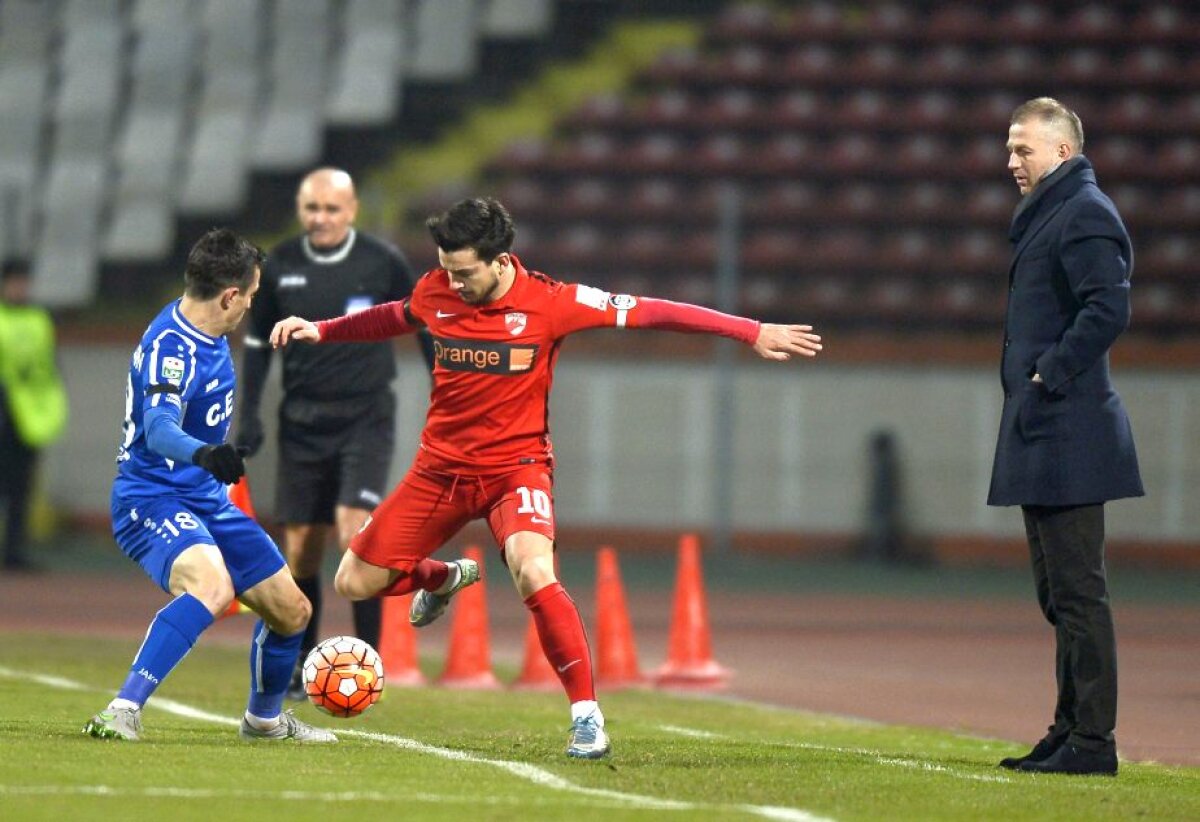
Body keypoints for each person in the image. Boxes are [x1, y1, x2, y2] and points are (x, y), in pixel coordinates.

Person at [270, 198, 823, 758]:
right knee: (352, 581)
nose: (452, 282)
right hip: (439, 471)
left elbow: (654, 310)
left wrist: (750, 330)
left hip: (517, 471)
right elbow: (395, 315)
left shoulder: (553, 302)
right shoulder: (437, 288)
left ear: (501, 260)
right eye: (446, 269)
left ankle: (586, 717)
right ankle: (441, 578)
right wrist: (322, 330)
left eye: (464, 272)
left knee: (534, 572)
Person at [84, 228, 335, 744]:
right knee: (212, 587)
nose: (250, 305)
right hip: (150, 498)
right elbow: (157, 429)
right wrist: (203, 452)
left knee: (293, 612)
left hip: (203, 498)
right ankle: (122, 708)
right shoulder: (169, 348)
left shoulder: (209, 332)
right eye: (250, 295)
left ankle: (264, 721)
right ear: (229, 295)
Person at [236, 168, 431, 699]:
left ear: (352, 211)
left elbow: (424, 318)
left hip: (364, 418)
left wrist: (444, 388)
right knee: (300, 550)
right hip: (300, 422)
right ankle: (300, 662)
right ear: (301, 209)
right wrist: (248, 413)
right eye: (311, 208)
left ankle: (369, 660)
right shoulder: (279, 265)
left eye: (331, 209)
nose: (320, 218)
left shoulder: (381, 261)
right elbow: (256, 345)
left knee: (355, 533)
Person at [989, 98, 1142, 776]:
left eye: (1024, 149)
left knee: (1080, 592)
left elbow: (1109, 305)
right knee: (1059, 594)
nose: (1011, 161)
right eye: (1009, 148)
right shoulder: (1055, 211)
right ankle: (1067, 728)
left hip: (1070, 427)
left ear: (1063, 152)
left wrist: (1049, 372)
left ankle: (1094, 743)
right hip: (1044, 423)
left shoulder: (1083, 210)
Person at [0, 260, 68, 572]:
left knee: (21, 488)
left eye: (23, 282)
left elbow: (49, 366)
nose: (20, 288)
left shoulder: (40, 319)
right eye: (15, 281)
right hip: (5, 410)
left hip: (28, 416)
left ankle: (14, 550)